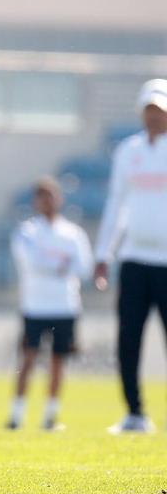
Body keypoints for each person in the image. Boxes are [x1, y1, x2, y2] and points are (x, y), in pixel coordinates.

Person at [94, 78, 167, 434]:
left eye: (161, 111)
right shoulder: (128, 151)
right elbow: (115, 205)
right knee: (128, 339)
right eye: (150, 110)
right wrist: (103, 253)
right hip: (134, 260)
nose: (155, 117)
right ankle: (135, 412)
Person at [7, 177, 93, 431]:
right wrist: (61, 266)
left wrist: (54, 266)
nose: (46, 201)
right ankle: (16, 415)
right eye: (41, 196)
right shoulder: (27, 231)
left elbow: (84, 267)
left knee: (58, 361)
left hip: (65, 306)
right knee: (28, 359)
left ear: (59, 199)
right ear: (35, 201)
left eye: (50, 195)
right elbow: (30, 263)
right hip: (35, 306)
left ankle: (50, 416)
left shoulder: (72, 233)